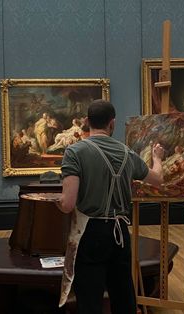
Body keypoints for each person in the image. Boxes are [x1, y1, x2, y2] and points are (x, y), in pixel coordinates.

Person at [56, 99, 164, 314]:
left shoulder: (75, 152)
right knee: (123, 295)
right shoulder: (127, 153)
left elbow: (68, 204)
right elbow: (158, 179)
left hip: (90, 233)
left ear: (87, 121)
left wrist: (56, 203)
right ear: (112, 123)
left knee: (90, 298)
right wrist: (157, 158)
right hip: (120, 233)